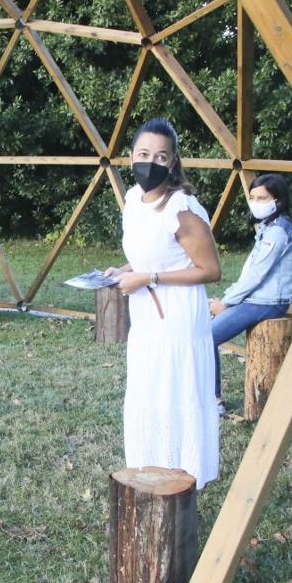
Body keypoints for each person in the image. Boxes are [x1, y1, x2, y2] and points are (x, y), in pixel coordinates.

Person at [104, 118, 222, 489]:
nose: (150, 162)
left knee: (175, 393)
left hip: (178, 321)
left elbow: (210, 270)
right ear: (131, 157)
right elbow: (150, 255)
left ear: (172, 162)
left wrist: (149, 278)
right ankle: (150, 472)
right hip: (146, 322)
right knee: (149, 391)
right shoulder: (133, 201)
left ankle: (180, 479)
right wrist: (124, 270)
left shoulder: (182, 208)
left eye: (160, 156)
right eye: (143, 154)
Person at [209, 174, 292, 414]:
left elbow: (256, 275)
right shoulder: (269, 227)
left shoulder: (279, 231)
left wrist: (226, 303)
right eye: (252, 197)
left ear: (278, 200)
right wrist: (228, 299)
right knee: (205, 330)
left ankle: (214, 400)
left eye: (262, 198)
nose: (255, 203)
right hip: (258, 299)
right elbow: (250, 272)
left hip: (268, 302)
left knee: (206, 337)